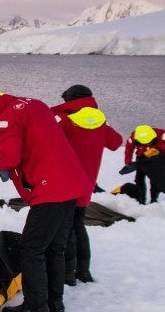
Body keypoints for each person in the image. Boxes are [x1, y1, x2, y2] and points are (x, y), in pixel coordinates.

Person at [0, 92, 90, 312]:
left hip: (51, 189)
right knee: (54, 246)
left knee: (31, 248)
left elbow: (7, 158)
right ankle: (54, 301)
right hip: (71, 184)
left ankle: (35, 306)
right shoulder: (34, 105)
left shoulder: (8, 117)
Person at [51, 85, 123, 284]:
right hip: (87, 183)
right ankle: (83, 271)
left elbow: (49, 145)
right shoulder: (100, 123)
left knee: (65, 229)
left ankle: (67, 274)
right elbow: (116, 142)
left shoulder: (66, 121)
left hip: (65, 184)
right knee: (78, 226)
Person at [124, 124, 165, 204]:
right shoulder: (133, 137)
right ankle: (141, 200)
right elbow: (128, 149)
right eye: (143, 144)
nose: (146, 145)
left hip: (157, 160)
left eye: (148, 143)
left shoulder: (162, 134)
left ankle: (154, 199)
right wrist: (128, 162)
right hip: (142, 159)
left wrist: (160, 148)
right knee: (139, 179)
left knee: (155, 180)